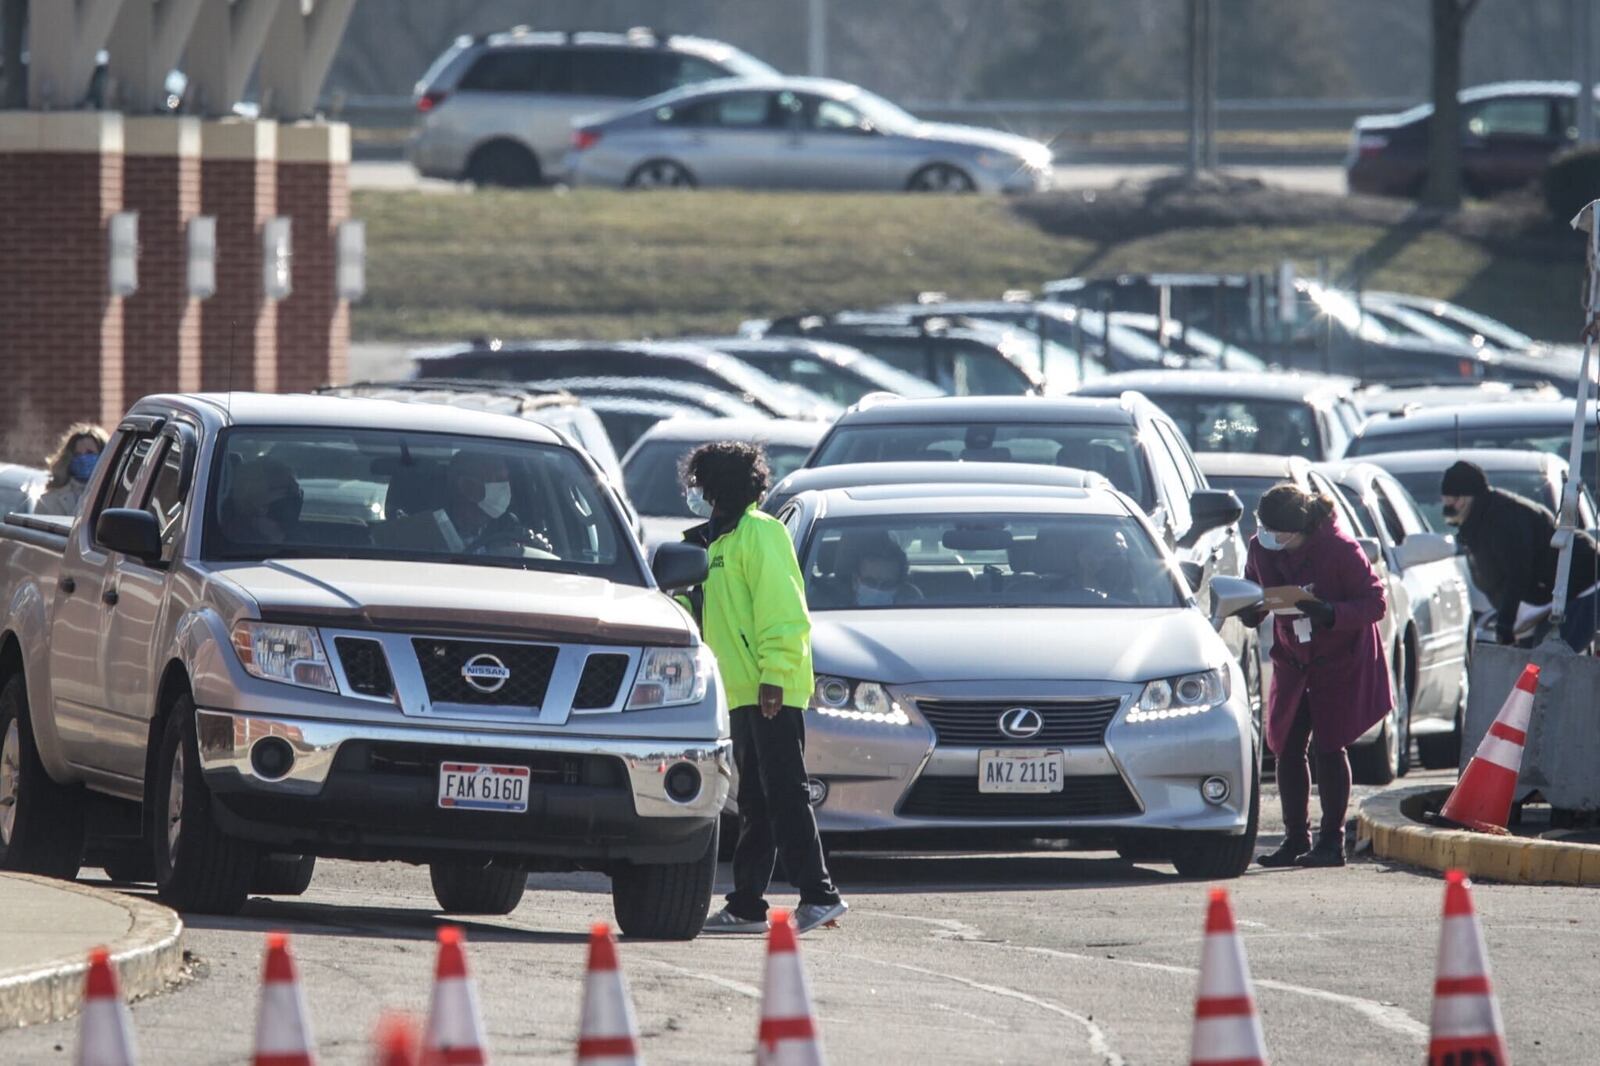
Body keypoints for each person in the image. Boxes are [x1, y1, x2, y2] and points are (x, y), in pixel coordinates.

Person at [681, 441, 846, 935]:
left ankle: (819, 895)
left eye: (699, 485)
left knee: (785, 794)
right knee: (756, 800)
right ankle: (748, 903)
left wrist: (774, 674)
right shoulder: (713, 543)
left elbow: (783, 612)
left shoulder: (760, 535)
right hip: (738, 691)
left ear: (717, 488)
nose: (693, 494)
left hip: (770, 689)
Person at [1244, 483, 1390, 869]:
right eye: (1264, 528)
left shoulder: (1340, 548)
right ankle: (1295, 839)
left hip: (1338, 659)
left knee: (1330, 745)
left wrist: (1331, 612)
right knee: (1286, 747)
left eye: (1277, 531)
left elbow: (1375, 601)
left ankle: (1331, 842)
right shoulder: (1262, 547)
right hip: (1293, 660)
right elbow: (1252, 588)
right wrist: (1248, 610)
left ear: (1299, 529)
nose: (1268, 537)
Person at [1441, 460, 1600, 653]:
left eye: (1452, 499)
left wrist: (1505, 624)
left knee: (1551, 663)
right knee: (1534, 665)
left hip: (1583, 586)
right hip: (1551, 600)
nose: (1447, 506)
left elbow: (1518, 573)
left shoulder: (1504, 519)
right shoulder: (1476, 524)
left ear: (1468, 498)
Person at [818, 531, 923, 608]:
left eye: (887, 584)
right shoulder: (823, 608)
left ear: (899, 586)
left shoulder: (914, 609)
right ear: (855, 581)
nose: (877, 590)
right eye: (870, 582)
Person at [222, 458, 302, 545]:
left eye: (292, 496)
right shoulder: (230, 539)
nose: (287, 504)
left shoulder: (304, 541)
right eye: (281, 492)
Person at [35, 423, 108, 516]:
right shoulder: (48, 501)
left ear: (104, 456)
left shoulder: (114, 495)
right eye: (77, 454)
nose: (83, 459)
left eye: (90, 453)